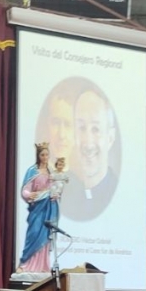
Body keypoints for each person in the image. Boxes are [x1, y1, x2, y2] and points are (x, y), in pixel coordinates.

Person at [64, 87, 119, 221]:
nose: (88, 143)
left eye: (96, 129)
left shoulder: (120, 194)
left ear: (110, 138)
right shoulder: (61, 191)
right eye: (81, 128)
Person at [17, 142, 59, 273]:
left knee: (46, 236)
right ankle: (25, 264)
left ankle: (42, 266)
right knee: (34, 233)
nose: (45, 157)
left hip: (49, 208)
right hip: (37, 209)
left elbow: (57, 189)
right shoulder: (32, 171)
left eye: (47, 154)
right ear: (38, 155)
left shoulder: (52, 172)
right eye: (42, 155)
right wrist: (30, 194)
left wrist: (55, 194)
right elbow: (25, 190)